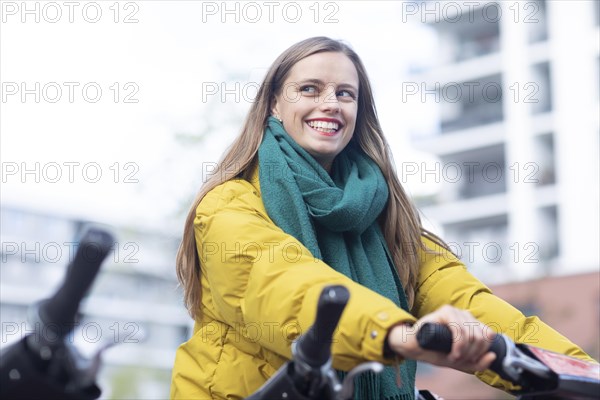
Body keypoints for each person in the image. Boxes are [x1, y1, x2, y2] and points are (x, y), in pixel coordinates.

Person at [170, 37, 594, 400]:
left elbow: (469, 303)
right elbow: (284, 285)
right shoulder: (228, 205)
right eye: (310, 89)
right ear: (275, 104)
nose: (330, 103)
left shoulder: (388, 218)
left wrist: (582, 371)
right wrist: (396, 334)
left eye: (344, 94)